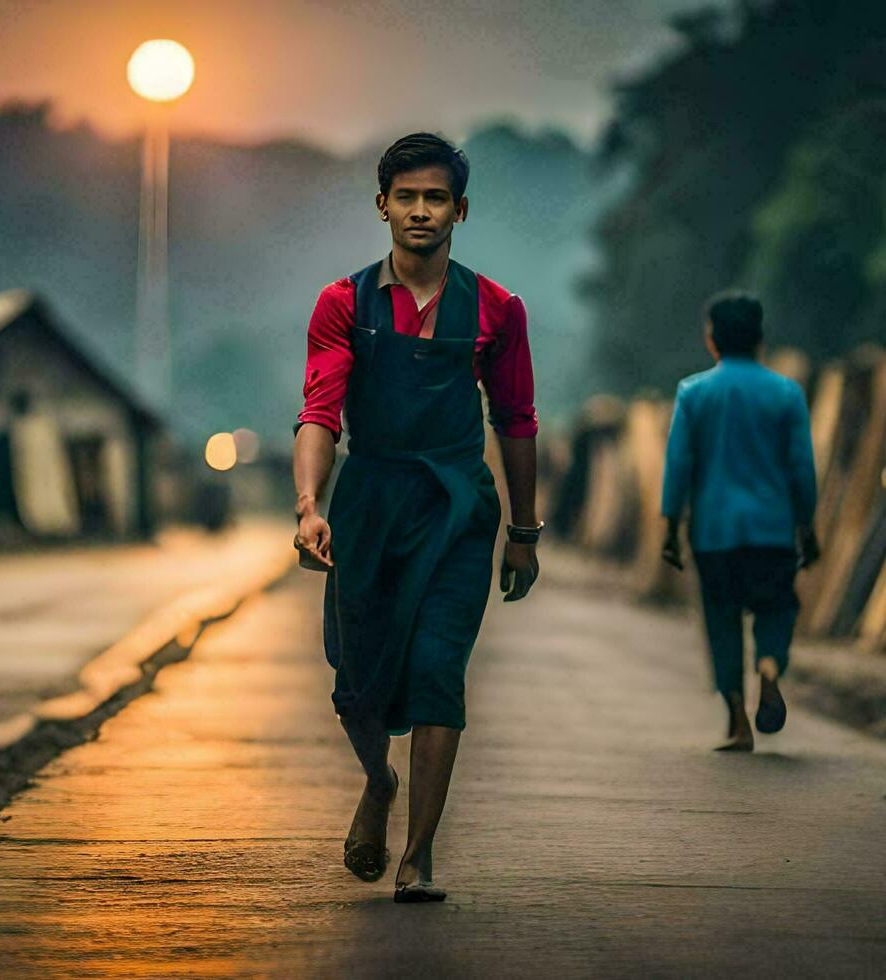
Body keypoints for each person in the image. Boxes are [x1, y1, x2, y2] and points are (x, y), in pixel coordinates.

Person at [292, 132, 541, 902]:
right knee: (356, 683)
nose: (421, 211)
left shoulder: (497, 308)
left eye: (436, 198)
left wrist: (523, 533)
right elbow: (320, 413)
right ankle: (378, 782)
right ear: (382, 207)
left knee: (439, 671)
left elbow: (518, 420)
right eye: (407, 197)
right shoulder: (345, 304)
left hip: (457, 507)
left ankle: (420, 854)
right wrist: (308, 507)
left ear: (460, 211)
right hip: (367, 503)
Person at [659, 291, 820, 752]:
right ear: (759, 339)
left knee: (721, 618)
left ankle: (736, 720)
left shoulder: (694, 393)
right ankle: (769, 667)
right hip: (772, 530)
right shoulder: (787, 393)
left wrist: (671, 527)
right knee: (776, 606)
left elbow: (679, 465)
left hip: (713, 533)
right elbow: (802, 469)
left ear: (713, 341)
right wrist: (806, 527)